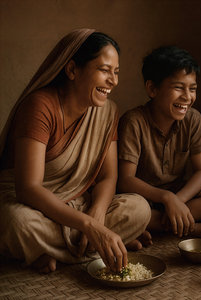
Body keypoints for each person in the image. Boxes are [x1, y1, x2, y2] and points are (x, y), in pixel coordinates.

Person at [0, 29, 151, 274]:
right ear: (72, 70)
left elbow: (107, 177)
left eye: (116, 72)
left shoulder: (107, 112)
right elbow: (28, 188)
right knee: (14, 223)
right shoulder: (40, 106)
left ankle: (50, 253)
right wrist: (90, 226)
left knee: (139, 209)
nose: (113, 81)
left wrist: (98, 215)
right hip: (30, 205)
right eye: (104, 70)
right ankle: (96, 247)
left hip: (78, 205)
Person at [117, 46, 201, 240]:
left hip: (179, 194)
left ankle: (163, 224)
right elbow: (126, 180)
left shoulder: (193, 119)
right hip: (144, 199)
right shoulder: (134, 121)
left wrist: (178, 201)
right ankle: (190, 228)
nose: (187, 96)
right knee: (128, 210)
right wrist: (166, 198)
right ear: (152, 89)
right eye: (178, 87)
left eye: (192, 89)